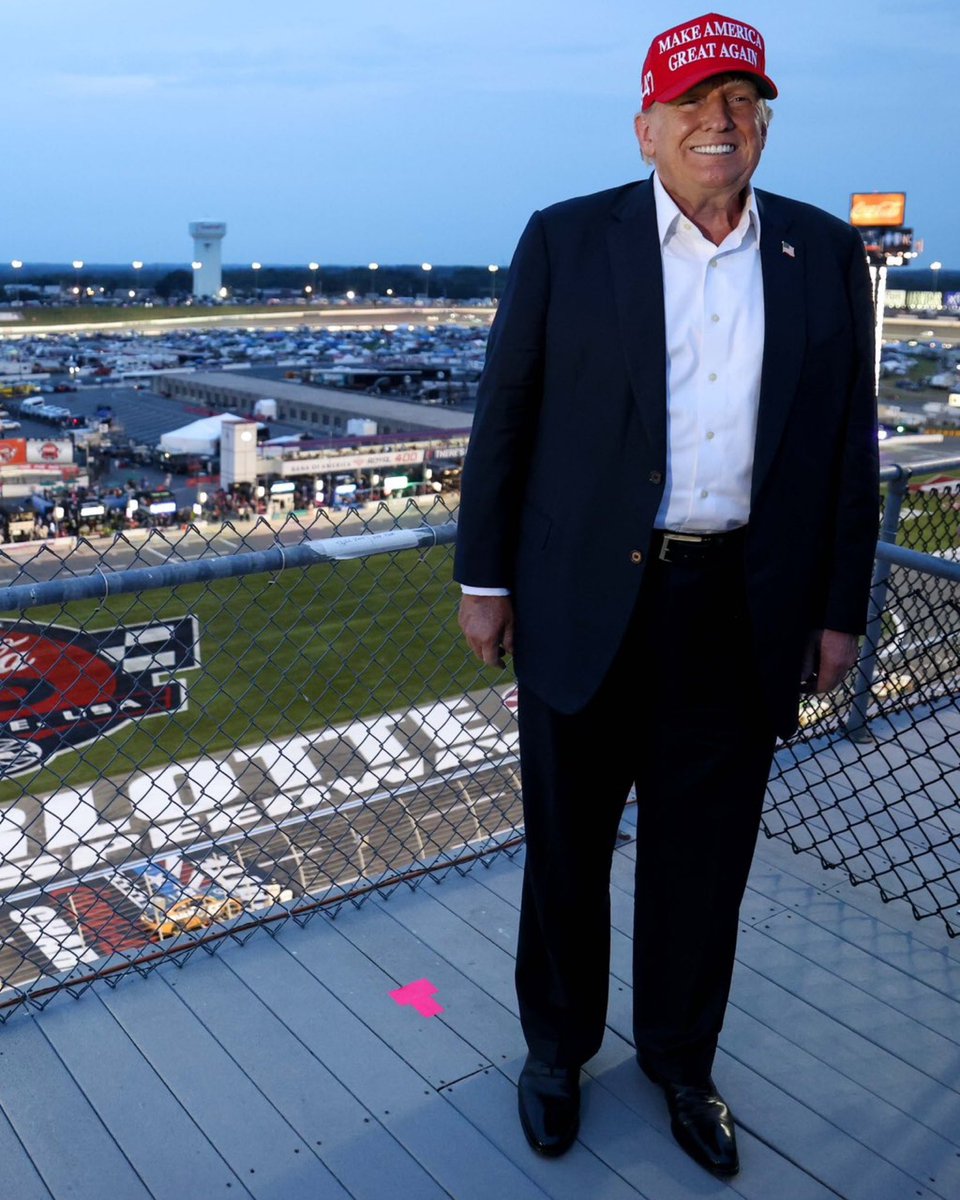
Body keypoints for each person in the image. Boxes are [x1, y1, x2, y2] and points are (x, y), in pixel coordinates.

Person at [453, 11, 878, 1179]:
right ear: (646, 125)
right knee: (568, 850)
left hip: (741, 608)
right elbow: (507, 422)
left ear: (764, 126)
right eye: (694, 102)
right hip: (586, 601)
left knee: (705, 860)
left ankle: (682, 1064)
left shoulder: (824, 254)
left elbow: (849, 448)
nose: (720, 122)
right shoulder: (565, 241)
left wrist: (840, 609)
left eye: (742, 102)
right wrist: (482, 580)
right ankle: (556, 1052)